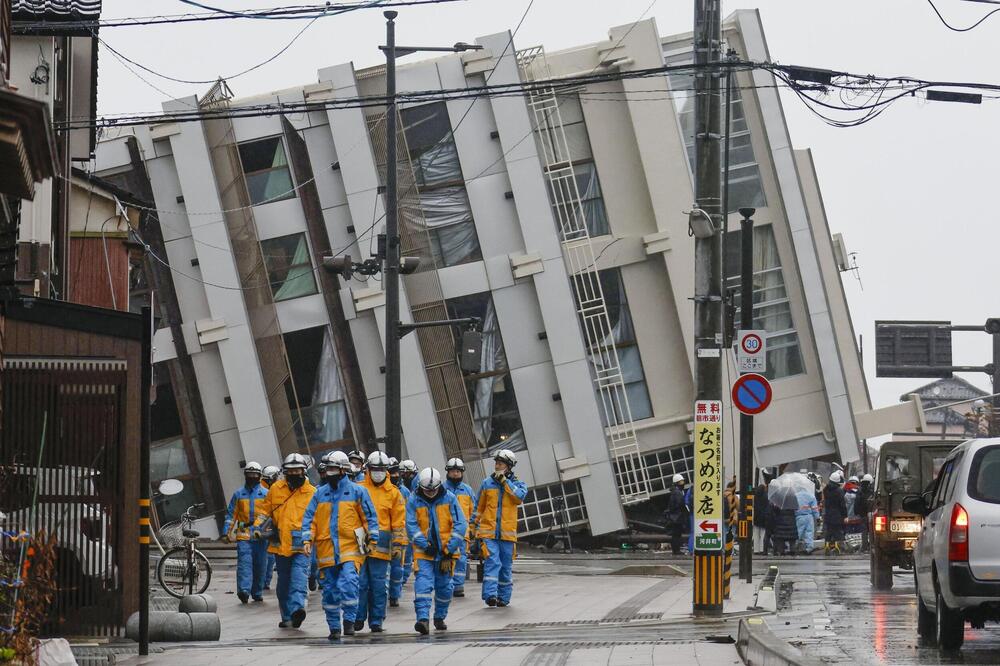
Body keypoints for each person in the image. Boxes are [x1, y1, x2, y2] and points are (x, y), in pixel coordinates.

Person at [302, 451, 378, 640]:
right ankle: (334, 627)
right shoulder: (320, 494)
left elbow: (369, 517)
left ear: (343, 470)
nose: (330, 472)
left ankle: (349, 622)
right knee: (329, 590)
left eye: (334, 469)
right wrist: (306, 539)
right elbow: (309, 519)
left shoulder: (357, 491)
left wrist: (372, 538)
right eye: (328, 469)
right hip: (326, 549)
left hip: (351, 547)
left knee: (350, 582)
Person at [255, 453, 316, 628]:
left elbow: (317, 518)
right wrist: (258, 527)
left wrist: (311, 537)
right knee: (283, 583)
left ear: (304, 471)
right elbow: (265, 511)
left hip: (301, 545)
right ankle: (287, 616)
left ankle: (298, 610)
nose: (295, 473)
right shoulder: (275, 489)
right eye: (291, 470)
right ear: (285, 472)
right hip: (279, 544)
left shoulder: (312, 492)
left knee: (299, 577)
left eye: (298, 470)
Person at [406, 467, 467, 635]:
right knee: (423, 584)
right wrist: (424, 544)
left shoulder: (450, 499)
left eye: (433, 490)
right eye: (427, 490)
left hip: (446, 552)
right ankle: (423, 619)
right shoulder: (414, 500)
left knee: (445, 588)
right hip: (423, 552)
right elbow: (411, 525)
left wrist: (448, 549)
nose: (431, 493)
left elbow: (460, 524)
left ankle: (439, 617)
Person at [356, 451, 407, 632]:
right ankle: (358, 617)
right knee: (360, 583)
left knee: (378, 584)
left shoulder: (393, 493)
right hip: (360, 541)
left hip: (383, 544)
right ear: (368, 469)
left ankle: (376, 620)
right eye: (374, 469)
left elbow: (399, 522)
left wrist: (399, 545)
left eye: (381, 469)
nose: (377, 472)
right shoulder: (358, 488)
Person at [473, 449, 528, 608]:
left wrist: (505, 482)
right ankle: (490, 595)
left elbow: (519, 498)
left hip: (507, 536)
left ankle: (503, 598)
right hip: (488, 533)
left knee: (505, 567)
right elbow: (478, 507)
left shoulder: (517, 484)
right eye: (496, 463)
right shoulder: (486, 483)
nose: (497, 466)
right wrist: (472, 527)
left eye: (501, 463)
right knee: (492, 562)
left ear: (509, 466)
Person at [223, 461, 269, 604]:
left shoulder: (266, 494)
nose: (252, 477)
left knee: (260, 564)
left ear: (260, 476)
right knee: (244, 563)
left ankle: (257, 592)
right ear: (245, 475)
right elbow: (231, 515)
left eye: (255, 474)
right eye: (249, 474)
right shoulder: (238, 494)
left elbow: (270, 515)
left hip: (261, 535)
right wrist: (226, 532)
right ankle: (244, 591)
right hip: (243, 534)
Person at [443, 458, 476, 597]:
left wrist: (473, 528)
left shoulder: (467, 490)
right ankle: (445, 584)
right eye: (452, 471)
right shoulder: (442, 489)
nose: (455, 474)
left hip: (463, 533)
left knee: (461, 559)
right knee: (446, 558)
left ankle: (458, 586)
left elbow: (473, 511)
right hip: (445, 532)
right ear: (448, 472)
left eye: (458, 471)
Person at [388, 457, 409, 607]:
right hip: (383, 536)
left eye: (396, 472)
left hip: (400, 536)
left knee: (397, 569)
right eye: (391, 472)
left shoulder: (405, 492)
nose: (394, 475)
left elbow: (410, 513)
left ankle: (394, 595)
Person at [398, 459, 420, 591]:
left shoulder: (412, 486)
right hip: (410, 522)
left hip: (411, 523)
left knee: (409, 552)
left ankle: (404, 577)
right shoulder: (410, 485)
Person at [260, 465, 281, 591]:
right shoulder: (268, 491)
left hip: (265, 526)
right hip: (268, 526)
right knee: (269, 557)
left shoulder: (264, 489)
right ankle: (264, 582)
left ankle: (264, 582)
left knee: (269, 557)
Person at [823, 471, 848, 555]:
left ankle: (827, 545)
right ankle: (837, 546)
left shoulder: (825, 490)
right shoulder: (839, 491)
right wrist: (845, 516)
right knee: (837, 531)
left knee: (829, 531)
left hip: (828, 514)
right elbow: (842, 505)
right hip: (837, 515)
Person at [663, 474, 689, 555]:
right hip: (677, 517)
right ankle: (676, 550)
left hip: (675, 516)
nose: (683, 483)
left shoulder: (675, 491)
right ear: (676, 483)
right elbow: (680, 504)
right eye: (681, 482)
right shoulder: (678, 492)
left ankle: (676, 550)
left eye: (683, 481)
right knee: (677, 534)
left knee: (676, 534)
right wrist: (685, 511)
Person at [794, 483, 819, 555]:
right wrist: (817, 517)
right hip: (809, 516)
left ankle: (794, 546)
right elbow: (814, 508)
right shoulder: (811, 496)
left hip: (799, 516)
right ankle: (809, 548)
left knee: (798, 532)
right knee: (809, 532)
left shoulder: (795, 496)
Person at [753, 470, 773, 555]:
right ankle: (761, 549)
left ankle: (756, 550)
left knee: (756, 533)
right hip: (764, 517)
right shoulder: (766, 496)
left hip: (757, 516)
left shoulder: (756, 495)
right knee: (763, 534)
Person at [856, 473, 874, 552]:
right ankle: (871, 546)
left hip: (862, 514)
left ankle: (864, 547)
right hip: (870, 513)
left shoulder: (860, 490)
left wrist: (857, 512)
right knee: (872, 531)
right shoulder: (872, 491)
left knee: (864, 531)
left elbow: (857, 502)